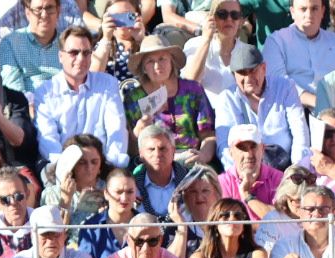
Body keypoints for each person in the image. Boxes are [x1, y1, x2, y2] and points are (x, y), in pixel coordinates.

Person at [32, 25, 128, 169]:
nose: (80, 58)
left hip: (101, 165)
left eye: (86, 53)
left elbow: (117, 131)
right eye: (74, 53)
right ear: (60, 56)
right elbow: (48, 141)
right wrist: (67, 167)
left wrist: (110, 166)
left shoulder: (108, 84)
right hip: (62, 167)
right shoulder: (45, 92)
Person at [123, 37, 215, 167]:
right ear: (143, 67)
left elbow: (208, 135)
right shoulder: (133, 99)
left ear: (171, 61)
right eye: (150, 61)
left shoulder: (192, 90)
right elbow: (131, 151)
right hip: (153, 164)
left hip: (190, 158)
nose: (157, 66)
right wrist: (137, 133)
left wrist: (203, 156)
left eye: (162, 59)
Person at [212, 42, 305, 170]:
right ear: (233, 75)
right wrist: (239, 175)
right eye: (242, 73)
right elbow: (224, 147)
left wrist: (297, 170)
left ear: (264, 68)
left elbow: (300, 132)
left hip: (285, 168)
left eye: (253, 71)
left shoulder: (285, 87)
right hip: (245, 170)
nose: (248, 78)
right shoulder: (226, 98)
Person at [264, 0, 335, 109]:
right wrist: (317, 102)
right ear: (292, 12)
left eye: (314, 9)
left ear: (323, 11)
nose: (309, 15)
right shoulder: (276, 42)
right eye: (303, 9)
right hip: (293, 111)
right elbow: (278, 83)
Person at [182, 0, 249, 99]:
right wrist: (206, 39)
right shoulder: (194, 44)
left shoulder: (247, 53)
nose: (229, 19)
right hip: (205, 112)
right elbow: (190, 83)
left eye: (234, 15)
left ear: (240, 22)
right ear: (212, 18)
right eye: (222, 14)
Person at [76, 164, 139, 258]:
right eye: (118, 192)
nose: (124, 198)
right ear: (106, 193)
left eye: (129, 192)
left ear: (135, 193)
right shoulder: (90, 228)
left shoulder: (148, 225)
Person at [0, 0, 63, 95]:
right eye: (38, 9)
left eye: (49, 8)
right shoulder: (10, 43)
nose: (44, 15)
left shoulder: (68, 45)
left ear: (58, 11)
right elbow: (13, 90)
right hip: (27, 105)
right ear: (27, 12)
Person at [220, 122, 281, 217]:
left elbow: (281, 222)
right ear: (231, 153)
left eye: (253, 147)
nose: (248, 154)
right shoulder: (222, 182)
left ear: (262, 149)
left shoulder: (279, 179)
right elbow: (227, 225)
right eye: (242, 148)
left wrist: (246, 195)